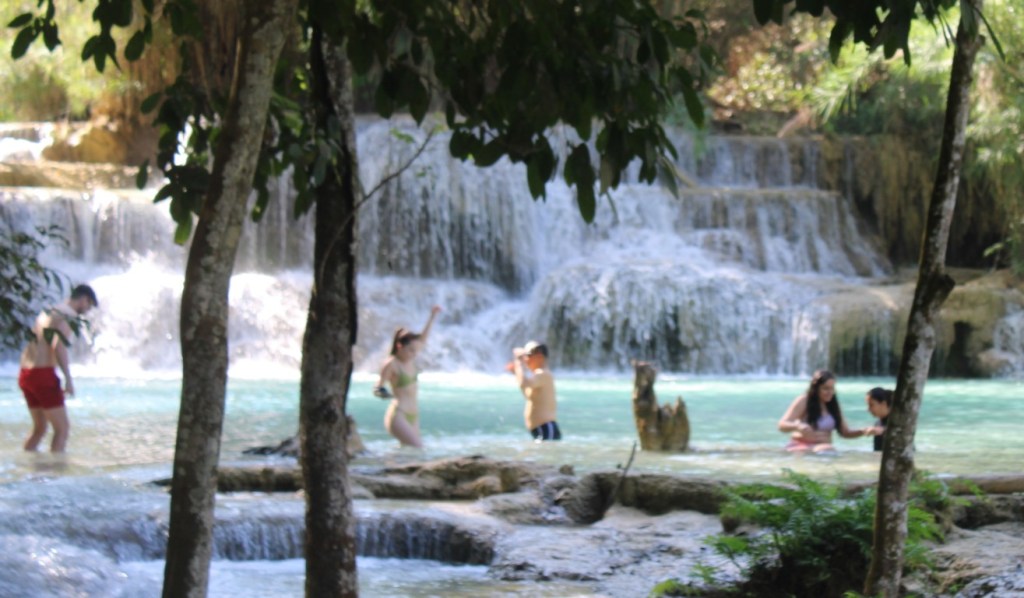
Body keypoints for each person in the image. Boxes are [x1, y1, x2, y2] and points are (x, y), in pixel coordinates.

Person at [18, 284, 98, 453]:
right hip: (42, 374)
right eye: (89, 305)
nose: (88, 310)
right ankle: (55, 476)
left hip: (26, 373)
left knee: (39, 429)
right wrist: (68, 379)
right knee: (62, 429)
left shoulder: (49, 311)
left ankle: (26, 470)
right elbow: (58, 346)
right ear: (84, 299)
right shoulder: (67, 315)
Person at [373, 306, 441, 448]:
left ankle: (392, 467)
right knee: (417, 447)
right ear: (399, 346)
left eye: (415, 351)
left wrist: (432, 316)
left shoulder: (410, 359)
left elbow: (423, 339)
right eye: (410, 350)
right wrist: (383, 393)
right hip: (399, 415)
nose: (414, 353)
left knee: (409, 452)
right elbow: (378, 387)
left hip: (413, 415)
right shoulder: (392, 364)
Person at [777, 369, 879, 452]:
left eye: (832, 388)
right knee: (828, 450)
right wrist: (798, 426)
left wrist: (864, 431)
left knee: (829, 451)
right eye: (825, 388)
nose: (830, 392)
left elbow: (845, 432)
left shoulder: (833, 404)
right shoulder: (804, 400)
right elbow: (782, 425)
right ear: (815, 388)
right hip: (801, 447)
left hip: (823, 449)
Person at [511, 340, 561, 441]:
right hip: (542, 428)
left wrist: (518, 363)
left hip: (546, 428)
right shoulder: (540, 377)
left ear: (539, 356)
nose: (525, 360)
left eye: (527, 355)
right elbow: (527, 395)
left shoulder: (543, 374)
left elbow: (524, 383)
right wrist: (517, 371)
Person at [865, 387, 893, 451]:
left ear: (883, 404)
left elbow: (899, 430)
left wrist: (882, 431)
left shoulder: (897, 420)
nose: (868, 409)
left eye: (871, 405)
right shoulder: (878, 423)